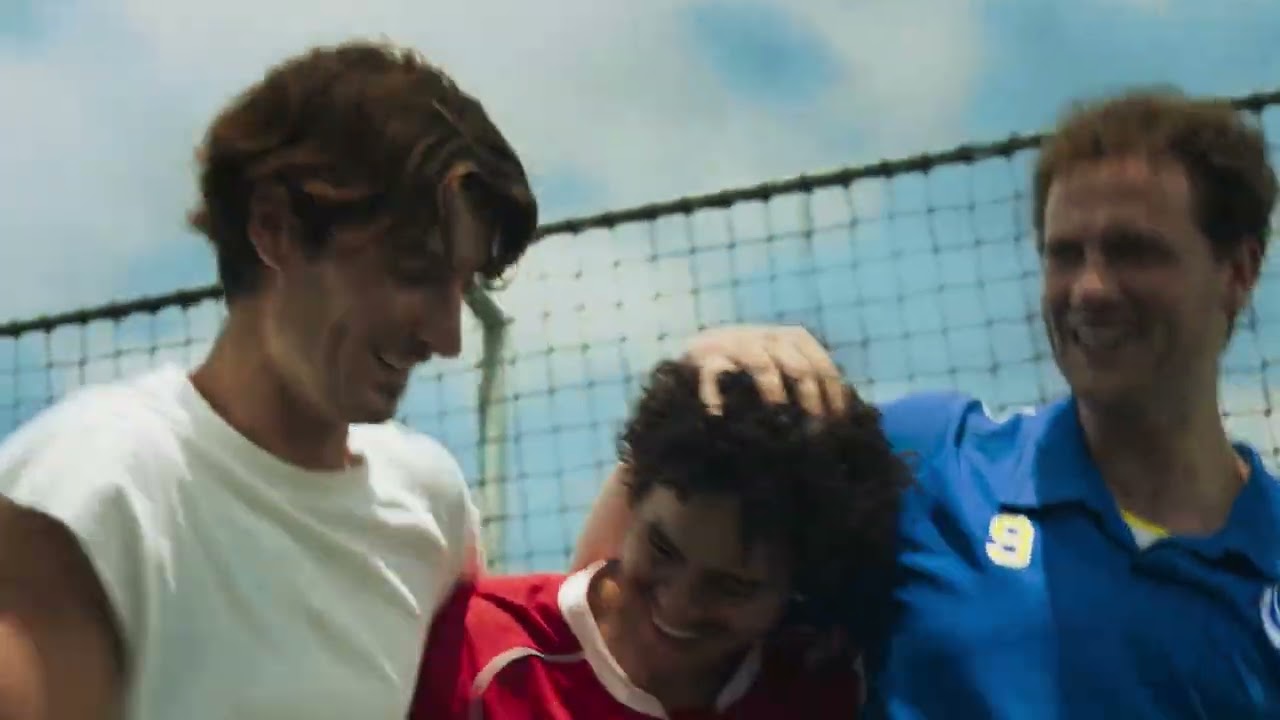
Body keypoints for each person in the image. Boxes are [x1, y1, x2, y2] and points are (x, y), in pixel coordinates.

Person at [575, 89, 1280, 717]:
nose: (1090, 289)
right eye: (1064, 254)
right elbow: (610, 625)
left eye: (1133, 251)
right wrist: (707, 374)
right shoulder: (930, 461)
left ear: (1238, 271)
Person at [0, 40, 537, 720]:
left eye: (461, 286)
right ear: (275, 227)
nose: (447, 337)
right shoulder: (97, 488)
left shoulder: (432, 507)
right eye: (413, 271)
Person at [409, 360, 910, 719]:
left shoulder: (822, 687)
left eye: (732, 586)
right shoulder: (477, 652)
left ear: (798, 586)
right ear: (631, 500)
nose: (680, 603)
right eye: (663, 549)